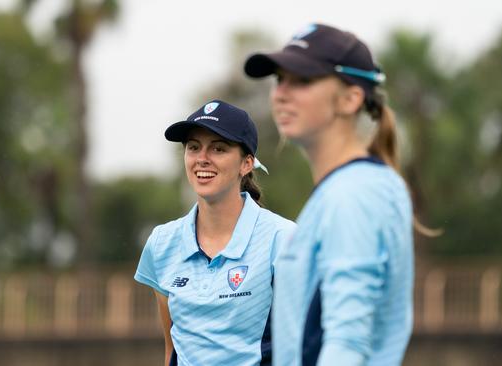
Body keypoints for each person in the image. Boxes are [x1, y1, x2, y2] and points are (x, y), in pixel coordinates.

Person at [244, 23, 415, 365]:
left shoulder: (355, 193)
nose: (281, 93)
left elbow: (347, 342)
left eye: (303, 80)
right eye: (280, 79)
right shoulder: (350, 188)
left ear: (351, 98)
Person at [134, 100, 296, 366]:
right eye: (193, 147)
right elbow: (171, 350)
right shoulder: (162, 243)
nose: (202, 159)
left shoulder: (283, 239)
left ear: (246, 163)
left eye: (218, 148)